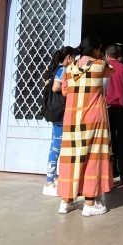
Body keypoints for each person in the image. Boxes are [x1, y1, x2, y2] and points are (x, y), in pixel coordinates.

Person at [58, 35, 115, 217]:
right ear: (96, 50)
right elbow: (111, 71)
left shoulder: (69, 68)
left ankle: (66, 201)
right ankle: (90, 203)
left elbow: (65, 91)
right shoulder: (100, 65)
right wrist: (99, 58)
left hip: (72, 119)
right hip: (93, 119)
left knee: (71, 158)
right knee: (92, 158)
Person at [42, 46, 75, 197]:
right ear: (68, 57)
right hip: (61, 114)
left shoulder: (54, 69)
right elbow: (56, 87)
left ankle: (53, 177)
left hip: (57, 114)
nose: (74, 61)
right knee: (57, 146)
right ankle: (49, 181)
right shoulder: (63, 70)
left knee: (55, 145)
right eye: (73, 58)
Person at [104, 44, 123, 180]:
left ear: (107, 55)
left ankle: (111, 170)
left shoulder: (103, 67)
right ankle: (122, 171)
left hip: (107, 107)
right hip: (122, 106)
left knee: (109, 139)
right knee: (122, 139)